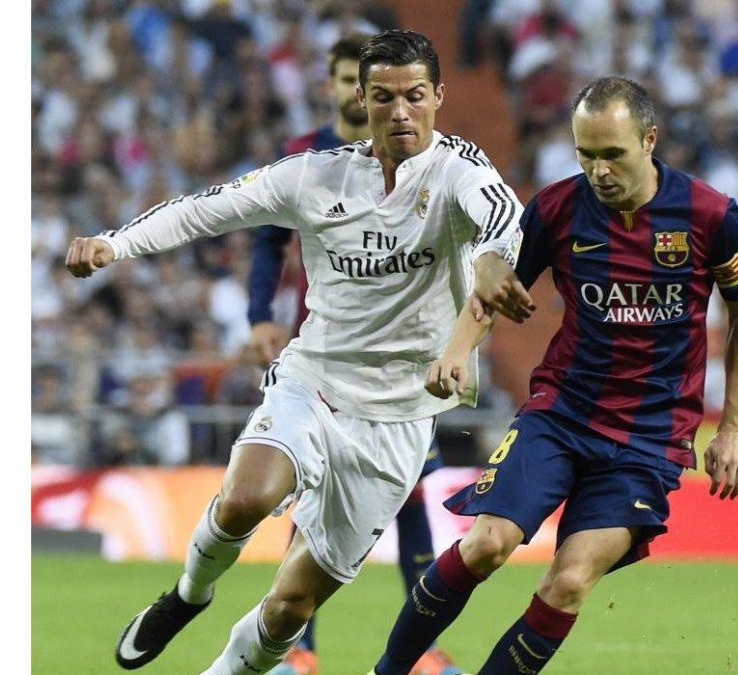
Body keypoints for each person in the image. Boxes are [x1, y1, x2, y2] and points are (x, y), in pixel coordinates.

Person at [64, 29, 535, 675]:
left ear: (438, 96)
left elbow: (506, 224)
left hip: (399, 416)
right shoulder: (316, 175)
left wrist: (489, 269)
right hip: (315, 380)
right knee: (245, 499)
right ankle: (187, 594)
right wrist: (114, 245)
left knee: (288, 607)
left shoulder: (460, 171)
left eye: (416, 96)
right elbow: (207, 210)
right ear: (362, 101)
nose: (401, 111)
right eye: (385, 97)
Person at [367, 76, 738, 675]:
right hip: (562, 413)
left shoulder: (709, 215)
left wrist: (733, 426)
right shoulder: (557, 208)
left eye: (613, 154)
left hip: (649, 440)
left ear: (650, 140)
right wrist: (456, 350)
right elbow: (498, 287)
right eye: (586, 154)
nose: (598, 171)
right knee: (486, 544)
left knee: (570, 582)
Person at [246, 34, 462, 675]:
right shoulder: (304, 158)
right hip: (326, 356)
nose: (350, 91)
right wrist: (262, 314)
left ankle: (422, 653)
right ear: (342, 87)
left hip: (401, 360)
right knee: (313, 491)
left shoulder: (424, 155)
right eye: (345, 80)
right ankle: (299, 651)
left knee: (416, 492)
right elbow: (266, 242)